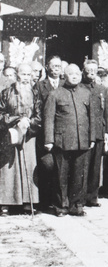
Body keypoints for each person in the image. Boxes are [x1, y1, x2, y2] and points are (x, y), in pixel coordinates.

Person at [44, 64, 93, 217]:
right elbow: (48, 118)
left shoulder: (86, 93)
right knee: (61, 175)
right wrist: (49, 140)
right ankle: (61, 206)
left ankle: (76, 206)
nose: (75, 76)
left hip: (81, 141)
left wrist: (91, 138)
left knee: (79, 175)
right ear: (64, 76)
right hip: (62, 141)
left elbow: (92, 118)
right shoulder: (55, 94)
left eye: (77, 73)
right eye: (71, 74)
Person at [0, 63, 42, 216]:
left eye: (28, 75)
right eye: (23, 74)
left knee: (29, 166)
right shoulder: (6, 92)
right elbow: (1, 113)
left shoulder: (35, 93)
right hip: (10, 133)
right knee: (9, 169)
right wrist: (15, 121)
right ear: (17, 74)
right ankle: (6, 203)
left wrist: (29, 124)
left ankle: (27, 203)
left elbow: (39, 115)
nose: (26, 78)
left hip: (29, 135)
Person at [81, 59, 108, 207]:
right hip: (84, 133)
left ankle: (92, 197)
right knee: (83, 166)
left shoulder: (101, 89)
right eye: (89, 70)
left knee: (95, 166)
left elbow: (107, 113)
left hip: (99, 132)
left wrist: (107, 132)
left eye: (95, 70)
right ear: (84, 71)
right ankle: (81, 196)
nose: (92, 72)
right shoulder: (79, 88)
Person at [34, 56, 64, 210]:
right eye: (54, 66)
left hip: (63, 133)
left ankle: (59, 201)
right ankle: (45, 202)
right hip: (46, 132)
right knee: (47, 166)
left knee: (62, 168)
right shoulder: (40, 86)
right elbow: (37, 109)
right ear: (47, 67)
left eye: (59, 66)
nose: (57, 68)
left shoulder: (66, 85)